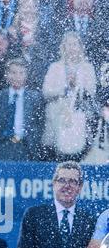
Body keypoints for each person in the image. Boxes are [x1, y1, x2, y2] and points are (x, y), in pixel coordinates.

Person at [42, 31, 97, 161]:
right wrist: (64, 88)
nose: (72, 48)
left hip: (79, 120)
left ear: (80, 47)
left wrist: (77, 87)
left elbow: (91, 92)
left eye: (75, 44)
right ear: (63, 47)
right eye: (68, 45)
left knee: (77, 156)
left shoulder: (87, 68)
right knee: (55, 157)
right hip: (56, 118)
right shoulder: (55, 67)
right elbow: (46, 92)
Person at [0, 57, 44, 161]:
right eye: (13, 72)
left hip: (27, 145)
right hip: (4, 144)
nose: (17, 77)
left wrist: (33, 140)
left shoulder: (34, 98)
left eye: (21, 73)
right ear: (7, 75)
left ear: (26, 75)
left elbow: (39, 124)